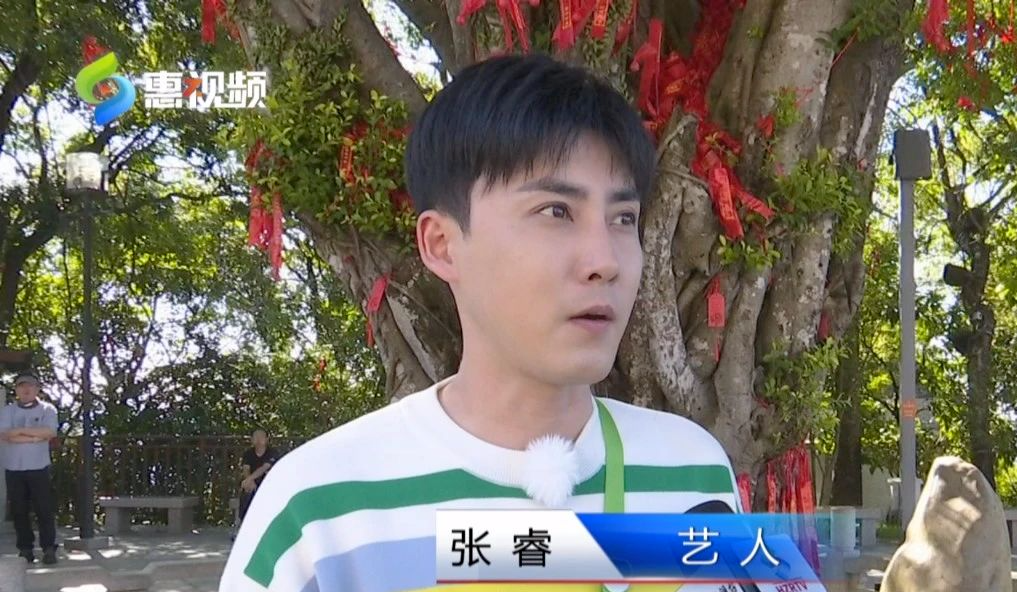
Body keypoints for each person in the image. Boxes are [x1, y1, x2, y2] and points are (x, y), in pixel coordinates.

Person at [220, 54, 741, 592]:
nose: (605, 261)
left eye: (623, 218)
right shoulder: (318, 512)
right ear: (442, 245)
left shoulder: (693, 473)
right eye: (556, 211)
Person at [0, 372, 59, 565]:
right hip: (14, 467)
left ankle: (49, 548)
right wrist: (35, 437)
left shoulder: (47, 409)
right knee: (19, 510)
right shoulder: (8, 411)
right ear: (16, 390)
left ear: (37, 389)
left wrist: (19, 432)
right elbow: (5, 435)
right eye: (21, 386)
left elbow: (49, 432)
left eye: (30, 386)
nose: (26, 389)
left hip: (39, 466)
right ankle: (25, 549)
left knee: (44, 509)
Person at [238, 429, 278, 524]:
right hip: (253, 484)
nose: (258, 439)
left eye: (261, 437)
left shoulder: (273, 453)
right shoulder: (248, 453)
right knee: (247, 490)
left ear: (267, 439)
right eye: (256, 437)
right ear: (252, 440)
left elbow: (264, 468)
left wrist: (249, 479)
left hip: (269, 483)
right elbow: (246, 469)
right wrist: (249, 481)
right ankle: (244, 522)